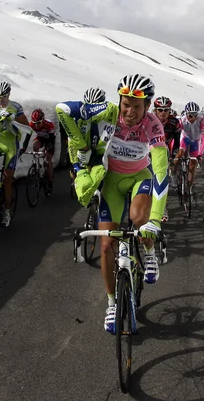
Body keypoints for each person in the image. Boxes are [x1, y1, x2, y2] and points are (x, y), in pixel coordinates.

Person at [62, 75, 168, 333]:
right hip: (112, 181)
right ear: (119, 102)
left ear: (148, 106)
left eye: (137, 106)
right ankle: (112, 302)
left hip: (139, 177)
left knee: (139, 218)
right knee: (107, 244)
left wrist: (156, 219)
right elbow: (70, 119)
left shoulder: (153, 125)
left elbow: (161, 170)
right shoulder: (108, 115)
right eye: (125, 105)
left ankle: (150, 251)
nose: (130, 112)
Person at [0, 81, 33, 227]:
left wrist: (12, 117)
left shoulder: (16, 107)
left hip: (12, 145)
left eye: (3, 96)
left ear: (9, 94)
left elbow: (27, 127)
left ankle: (7, 212)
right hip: (1, 142)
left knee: (7, 179)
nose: (0, 99)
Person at [56, 88, 111, 207]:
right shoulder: (79, 116)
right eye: (89, 105)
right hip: (82, 150)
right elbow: (71, 141)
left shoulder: (108, 116)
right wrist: (75, 164)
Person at [153, 96, 181, 221]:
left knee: (161, 179)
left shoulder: (174, 122)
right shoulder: (149, 120)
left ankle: (162, 208)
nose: (163, 112)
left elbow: (177, 142)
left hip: (164, 152)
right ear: (155, 110)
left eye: (166, 110)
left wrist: (174, 155)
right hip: (148, 151)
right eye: (160, 109)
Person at [173, 102, 204, 192]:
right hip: (185, 138)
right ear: (186, 114)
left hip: (195, 141)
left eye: (194, 115)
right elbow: (175, 134)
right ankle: (173, 174)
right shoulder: (182, 120)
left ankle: (190, 186)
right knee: (179, 154)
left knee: (193, 164)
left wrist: (200, 154)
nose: (192, 118)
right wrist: (174, 147)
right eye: (190, 116)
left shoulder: (201, 120)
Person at [29, 108, 56, 193]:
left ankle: (50, 182)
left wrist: (46, 150)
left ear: (43, 120)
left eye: (38, 123)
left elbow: (51, 140)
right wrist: (23, 148)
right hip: (40, 139)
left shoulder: (49, 125)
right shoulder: (31, 125)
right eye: (34, 123)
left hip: (49, 140)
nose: (36, 125)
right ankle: (36, 166)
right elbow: (27, 138)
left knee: (48, 160)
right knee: (35, 145)